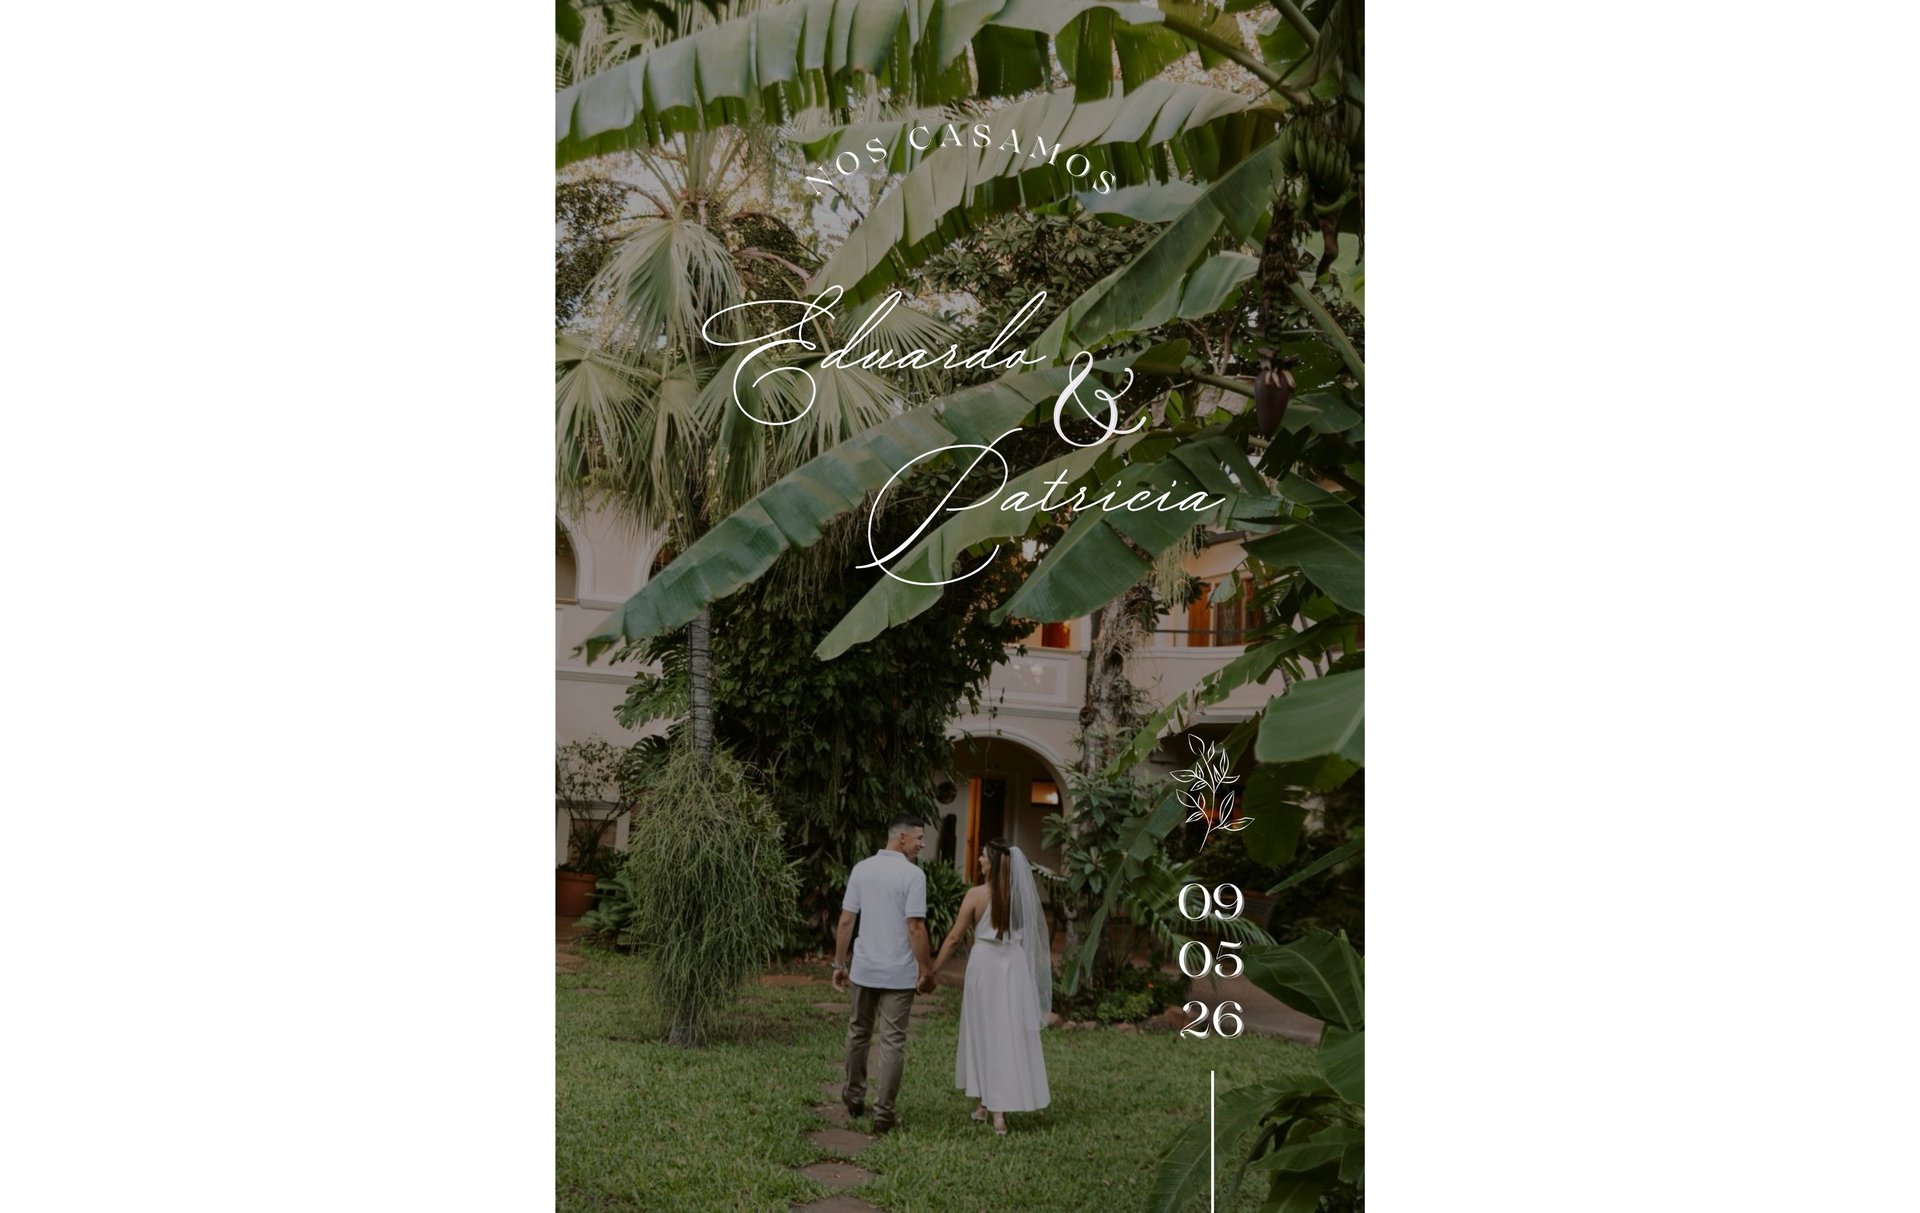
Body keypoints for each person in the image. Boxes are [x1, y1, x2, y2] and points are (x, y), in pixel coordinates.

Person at [926, 837, 1051, 1135]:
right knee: (1007, 1032)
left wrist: (932, 970)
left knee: (983, 1030)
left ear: (992, 863)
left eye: (982, 856)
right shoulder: (1018, 897)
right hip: (1014, 967)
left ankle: (996, 1112)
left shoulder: (975, 895)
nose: (979, 860)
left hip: (985, 966)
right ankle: (987, 1105)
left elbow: (954, 938)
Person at [832, 815, 934, 1134]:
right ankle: (883, 1114)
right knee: (892, 1042)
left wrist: (839, 964)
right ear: (900, 838)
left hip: (864, 968)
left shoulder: (862, 869)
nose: (922, 843)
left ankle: (853, 1096)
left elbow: (847, 920)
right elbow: (915, 927)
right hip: (898, 973)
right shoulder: (913, 875)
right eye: (918, 837)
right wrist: (926, 970)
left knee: (858, 1032)